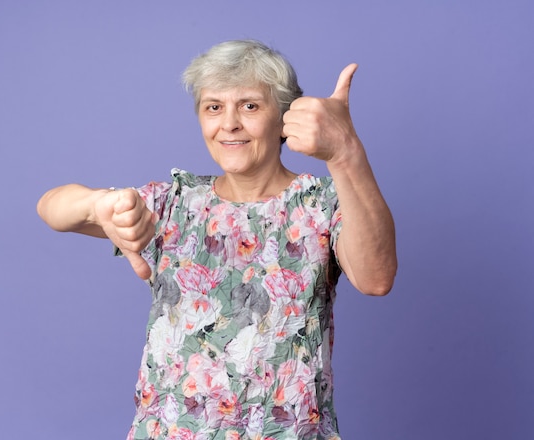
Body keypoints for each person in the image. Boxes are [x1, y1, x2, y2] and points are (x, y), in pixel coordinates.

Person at [37, 39, 397, 440]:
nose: (229, 124)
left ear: (285, 117)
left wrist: (346, 152)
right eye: (213, 107)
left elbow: (375, 277)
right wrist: (98, 204)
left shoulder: (322, 204)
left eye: (249, 105)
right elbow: (52, 208)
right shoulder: (171, 203)